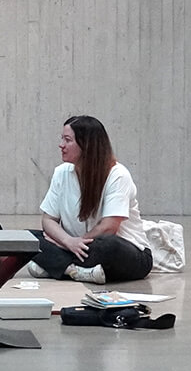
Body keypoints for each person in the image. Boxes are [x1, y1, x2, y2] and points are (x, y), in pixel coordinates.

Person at [28, 116, 157, 285]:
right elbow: (48, 219)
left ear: (86, 144)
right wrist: (68, 242)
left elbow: (109, 227)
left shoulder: (117, 175)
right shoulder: (61, 173)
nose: (61, 145)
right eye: (62, 139)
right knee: (28, 238)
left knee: (107, 245)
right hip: (78, 248)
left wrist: (70, 245)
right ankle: (74, 271)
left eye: (68, 140)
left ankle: (57, 265)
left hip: (124, 253)